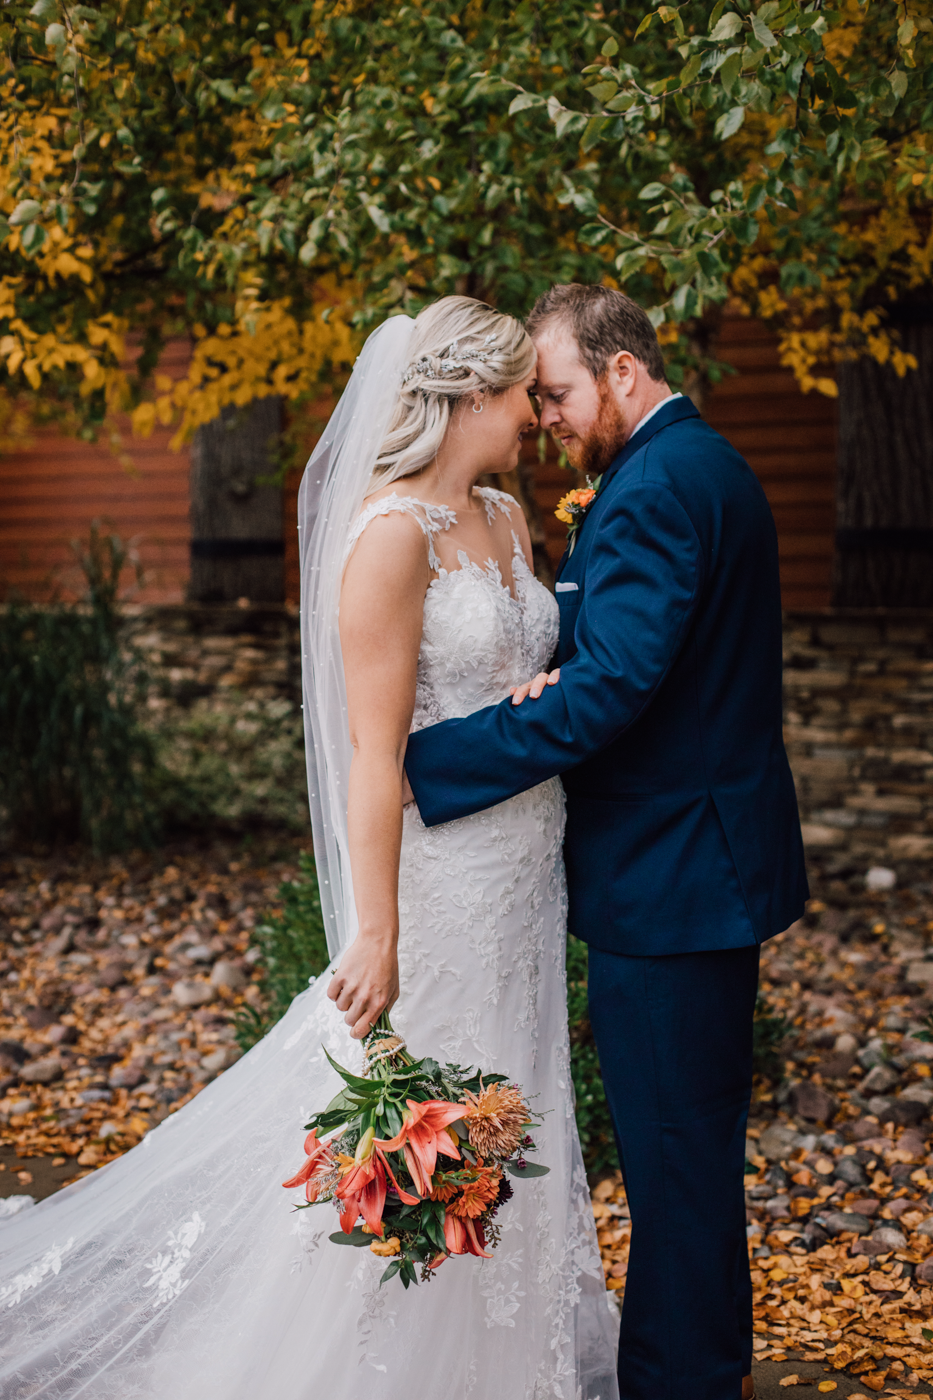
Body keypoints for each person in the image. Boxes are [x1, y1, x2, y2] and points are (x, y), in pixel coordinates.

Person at [0, 297, 620, 1400]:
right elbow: (373, 758)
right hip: (445, 884)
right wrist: (375, 929)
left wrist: (553, 681)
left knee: (512, 1105)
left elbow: (535, 668)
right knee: (425, 1123)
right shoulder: (388, 539)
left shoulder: (509, 518)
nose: (537, 412)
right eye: (525, 391)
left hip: (528, 874)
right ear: (472, 394)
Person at [403, 284, 809, 1400]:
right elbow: (631, 660)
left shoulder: (652, 489)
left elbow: (617, 686)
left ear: (622, 371)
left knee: (678, 1167)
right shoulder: (703, 464)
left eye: (561, 391)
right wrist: (567, 663)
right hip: (698, 868)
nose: (548, 416)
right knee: (692, 1163)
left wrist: (424, 763)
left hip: (670, 882)